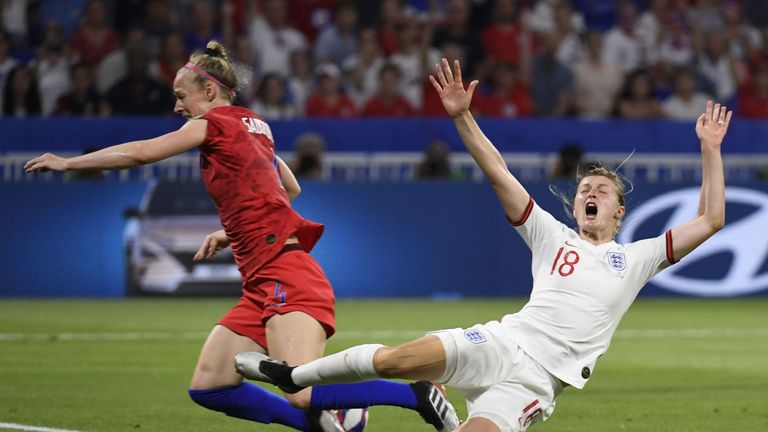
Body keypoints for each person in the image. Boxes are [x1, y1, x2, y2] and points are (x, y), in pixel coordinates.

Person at [235, 58, 731, 432]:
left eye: (602, 191)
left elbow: (710, 219)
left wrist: (710, 149)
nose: (591, 193)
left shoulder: (636, 258)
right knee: (394, 362)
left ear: (620, 211)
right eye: (584, 190)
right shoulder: (550, 236)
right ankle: (294, 375)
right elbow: (498, 171)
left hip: (533, 383)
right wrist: (462, 118)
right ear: (575, 207)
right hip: (499, 342)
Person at [25, 41, 458, 432]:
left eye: (181, 96)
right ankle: (323, 425)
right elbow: (290, 189)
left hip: (286, 276)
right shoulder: (258, 126)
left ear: (209, 92)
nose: (178, 108)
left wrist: (68, 164)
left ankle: (416, 395)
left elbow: (140, 153)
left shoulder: (212, 123)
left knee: (301, 389)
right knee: (210, 386)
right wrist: (229, 232)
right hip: (262, 282)